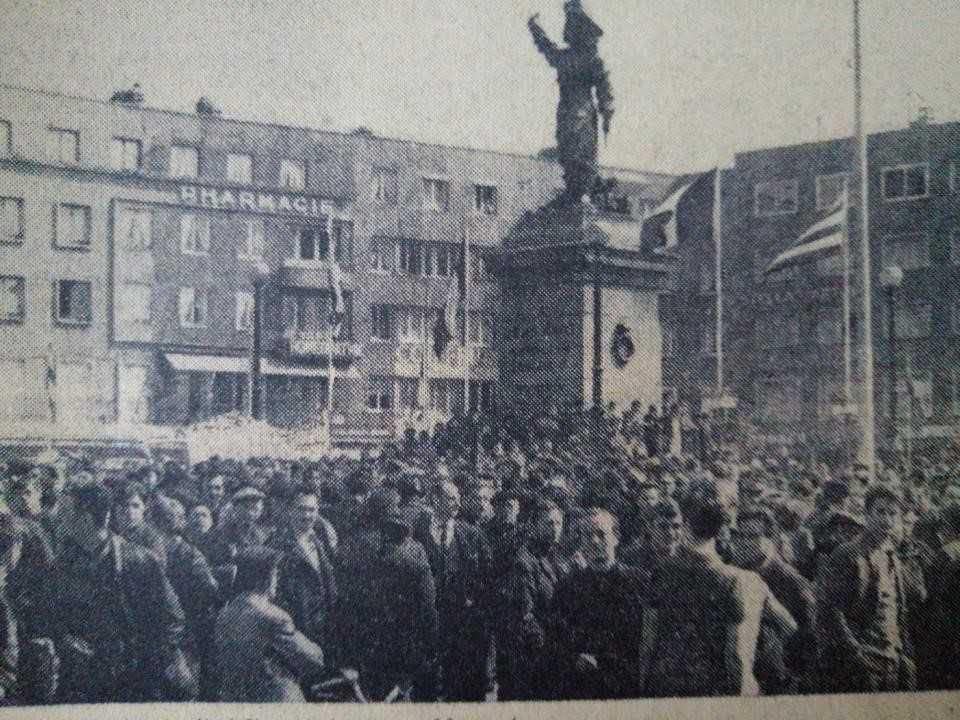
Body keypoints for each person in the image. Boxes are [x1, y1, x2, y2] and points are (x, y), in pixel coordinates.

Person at [641, 481, 796, 698]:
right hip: (714, 692)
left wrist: (643, 687)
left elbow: (648, 644)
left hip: (666, 689)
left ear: (685, 528)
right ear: (722, 531)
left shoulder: (660, 573)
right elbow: (740, 655)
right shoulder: (742, 581)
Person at [46, 481, 194, 702]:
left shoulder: (139, 561)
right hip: (84, 680)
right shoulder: (64, 563)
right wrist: (65, 639)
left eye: (65, 514)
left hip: (134, 678)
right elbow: (52, 614)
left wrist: (152, 660)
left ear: (85, 518)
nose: (58, 520)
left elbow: (172, 619)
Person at [816, 485, 927, 693]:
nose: (887, 520)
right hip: (864, 661)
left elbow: (909, 599)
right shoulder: (848, 553)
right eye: (881, 512)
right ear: (867, 515)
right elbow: (830, 610)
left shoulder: (892, 554)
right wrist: (856, 653)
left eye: (893, 514)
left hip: (892, 657)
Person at [335, 488, 438, 702]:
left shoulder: (350, 545)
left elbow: (341, 602)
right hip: (403, 644)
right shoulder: (413, 548)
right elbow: (427, 604)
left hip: (363, 643)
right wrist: (428, 645)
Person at [548, 508, 646, 699]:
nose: (594, 541)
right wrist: (573, 658)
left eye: (601, 534)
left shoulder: (638, 582)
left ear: (616, 537)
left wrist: (604, 662)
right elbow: (556, 635)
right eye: (587, 536)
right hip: (580, 686)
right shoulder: (568, 586)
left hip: (624, 686)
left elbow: (641, 638)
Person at [415, 481, 494, 701]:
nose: (457, 502)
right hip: (429, 620)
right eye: (450, 498)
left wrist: (472, 598)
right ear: (435, 500)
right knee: (427, 683)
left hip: (461, 620)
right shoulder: (417, 533)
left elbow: (486, 574)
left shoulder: (472, 534)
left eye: (457, 497)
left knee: (459, 679)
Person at [215, 547, 325, 702]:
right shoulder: (274, 617)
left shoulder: (225, 613)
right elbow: (313, 661)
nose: (277, 579)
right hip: (274, 699)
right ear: (264, 578)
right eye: (275, 574)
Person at [733, 507, 816, 694]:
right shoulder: (737, 575)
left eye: (753, 536)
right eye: (740, 536)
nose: (744, 543)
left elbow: (808, 641)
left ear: (771, 540)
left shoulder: (793, 583)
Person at [151, 496, 221, 700]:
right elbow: (210, 590)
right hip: (187, 637)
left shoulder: (144, 552)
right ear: (180, 522)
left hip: (157, 637)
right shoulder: (191, 555)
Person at [499, 499, 565, 700]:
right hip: (533, 657)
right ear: (534, 526)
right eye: (548, 523)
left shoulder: (554, 556)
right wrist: (552, 651)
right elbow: (525, 617)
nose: (555, 529)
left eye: (558, 523)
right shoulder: (524, 562)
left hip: (552, 652)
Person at [271, 485, 338, 656]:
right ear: (290, 511)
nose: (307, 515)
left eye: (312, 510)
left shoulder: (319, 540)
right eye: (301, 509)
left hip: (324, 626)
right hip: (297, 629)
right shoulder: (277, 544)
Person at [208, 486, 271, 566]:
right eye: (247, 502)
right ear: (235, 507)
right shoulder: (224, 531)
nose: (254, 504)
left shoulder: (262, 533)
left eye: (257, 501)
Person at [113, 481, 167, 567]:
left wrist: (124, 547)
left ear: (144, 507)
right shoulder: (110, 532)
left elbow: (158, 565)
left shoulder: (152, 536)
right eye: (124, 505)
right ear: (116, 508)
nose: (129, 511)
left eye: (135, 506)